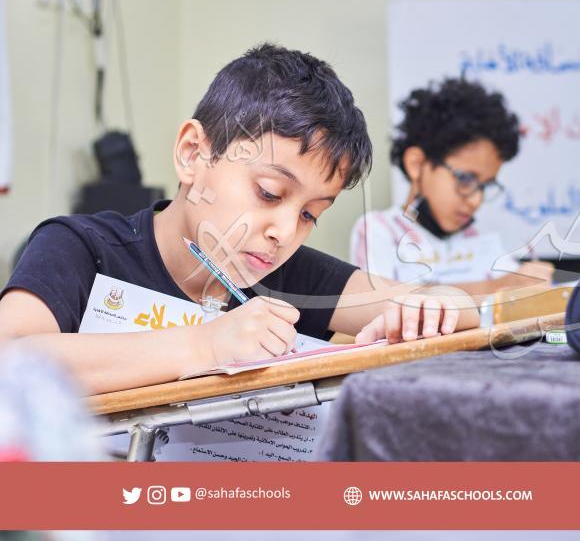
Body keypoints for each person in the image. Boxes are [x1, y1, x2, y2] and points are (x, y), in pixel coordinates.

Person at [0, 44, 478, 395]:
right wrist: (205, 346)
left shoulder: (288, 277)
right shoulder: (81, 247)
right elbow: (10, 360)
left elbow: (461, 310)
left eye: (310, 214)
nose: (284, 232)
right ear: (193, 153)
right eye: (269, 192)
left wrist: (423, 313)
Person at [350, 78, 553, 296]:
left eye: (485, 186)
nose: (476, 200)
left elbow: (515, 285)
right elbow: (383, 302)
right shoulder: (378, 231)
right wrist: (493, 288)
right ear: (416, 164)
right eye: (465, 179)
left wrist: (529, 284)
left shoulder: (479, 238)